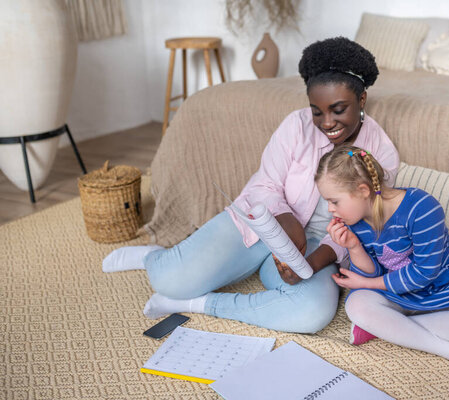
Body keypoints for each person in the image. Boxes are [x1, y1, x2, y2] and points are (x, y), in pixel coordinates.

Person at [101, 37, 400, 333]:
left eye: (338, 109)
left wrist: (313, 260)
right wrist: (284, 218)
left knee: (311, 313)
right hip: (262, 222)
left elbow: (365, 224)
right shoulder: (296, 126)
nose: (327, 123)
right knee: (169, 280)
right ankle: (153, 256)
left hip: (316, 246)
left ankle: (201, 303)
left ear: (361, 100)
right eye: (317, 111)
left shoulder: (382, 155)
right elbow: (266, 184)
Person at [315, 144, 449, 376]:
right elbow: (371, 273)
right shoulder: (353, 221)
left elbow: (424, 273)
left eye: (334, 201)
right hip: (398, 292)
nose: (330, 209)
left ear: (364, 190)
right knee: (356, 306)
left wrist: (367, 285)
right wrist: (353, 247)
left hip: (447, 283)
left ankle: (388, 328)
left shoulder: (422, 207)